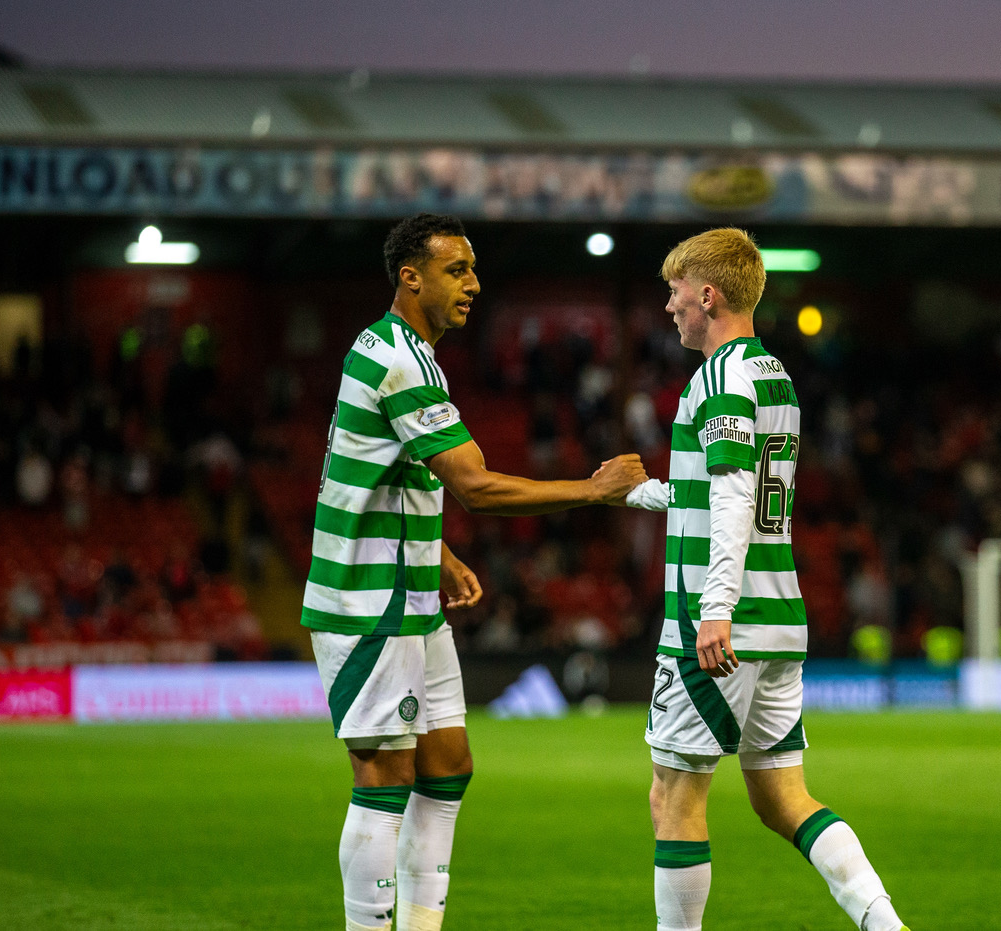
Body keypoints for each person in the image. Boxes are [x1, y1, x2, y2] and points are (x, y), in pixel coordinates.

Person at [303, 213, 646, 931]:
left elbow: (375, 471)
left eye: (474, 269)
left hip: (405, 588)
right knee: (383, 774)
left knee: (449, 763)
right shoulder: (401, 361)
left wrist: (438, 550)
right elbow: (475, 486)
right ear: (410, 275)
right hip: (368, 602)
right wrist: (593, 489)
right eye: (457, 269)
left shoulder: (398, 350)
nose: (474, 284)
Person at [624, 228, 910, 931]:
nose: (670, 307)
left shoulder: (718, 377)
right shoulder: (773, 373)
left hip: (719, 622)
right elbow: (739, 489)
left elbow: (729, 499)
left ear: (709, 294)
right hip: (779, 617)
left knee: (675, 795)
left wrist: (714, 608)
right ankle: (885, 922)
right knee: (783, 799)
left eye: (676, 292)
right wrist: (640, 492)